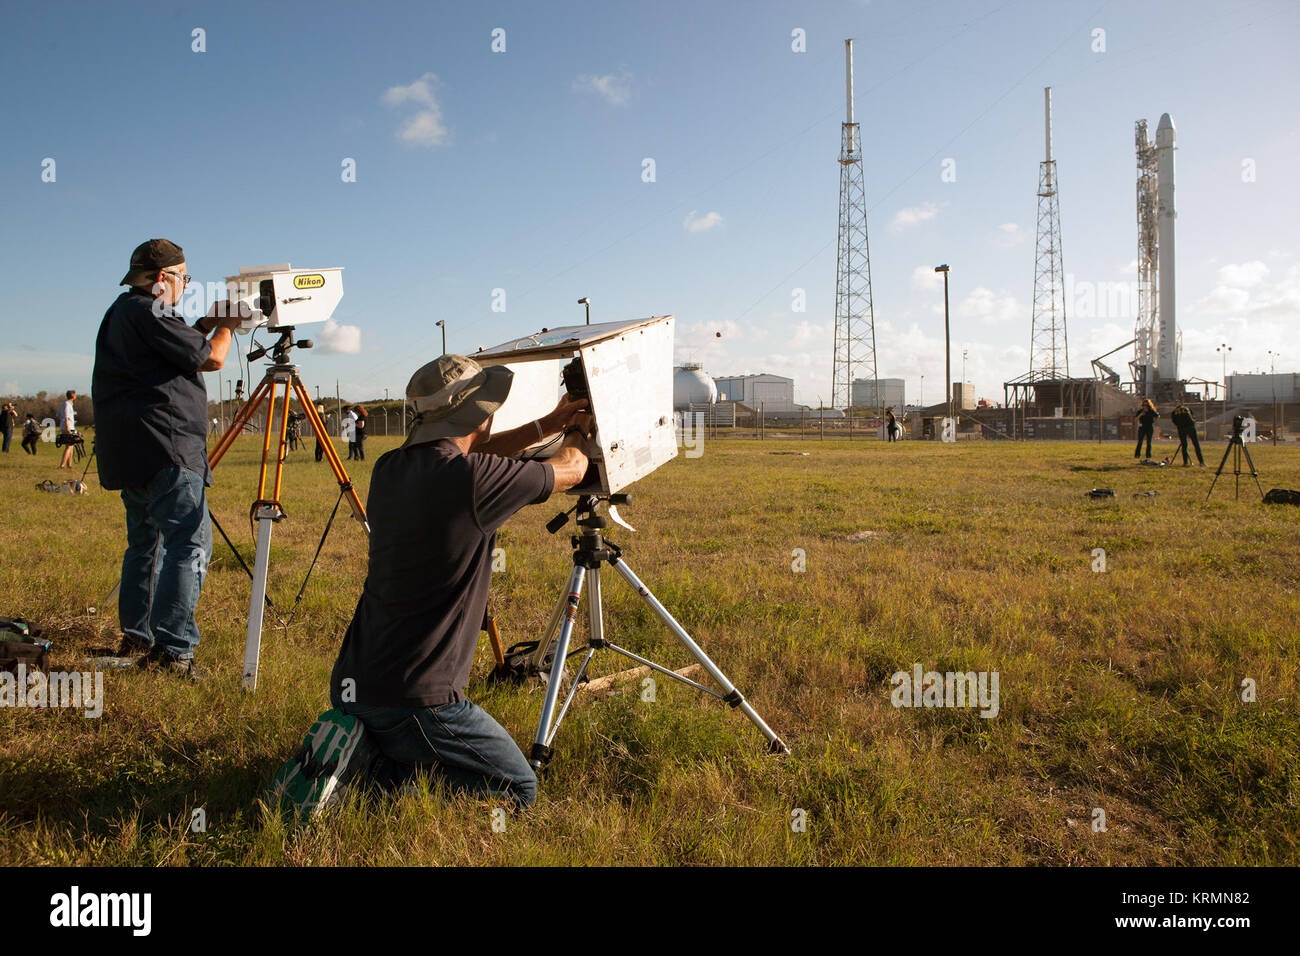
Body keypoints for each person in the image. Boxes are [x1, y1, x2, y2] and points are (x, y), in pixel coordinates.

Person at [272, 354, 593, 815]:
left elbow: (478, 457)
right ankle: (371, 782)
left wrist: (550, 421)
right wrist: (582, 426)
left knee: (415, 742)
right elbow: (573, 468)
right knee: (520, 788)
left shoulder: (390, 468)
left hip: (354, 683)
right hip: (420, 702)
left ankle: (365, 751)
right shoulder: (471, 481)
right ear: (479, 415)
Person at [92, 238, 243, 678]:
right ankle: (174, 651)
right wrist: (227, 327)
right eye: (184, 278)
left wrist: (206, 321)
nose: (184, 286)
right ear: (163, 278)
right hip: (167, 447)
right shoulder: (152, 310)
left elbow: (175, 347)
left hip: (132, 452)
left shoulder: (123, 312)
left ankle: (137, 637)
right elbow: (210, 358)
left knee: (145, 546)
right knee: (188, 545)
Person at [57, 390, 78, 469]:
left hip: (69, 426)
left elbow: (58, 415)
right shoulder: (67, 404)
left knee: (71, 446)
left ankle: (69, 464)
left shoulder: (67, 404)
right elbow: (66, 416)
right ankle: (62, 465)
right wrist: (67, 426)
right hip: (67, 427)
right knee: (68, 446)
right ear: (72, 396)